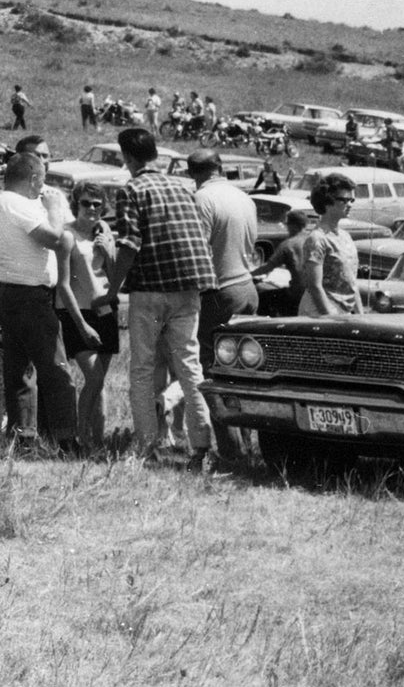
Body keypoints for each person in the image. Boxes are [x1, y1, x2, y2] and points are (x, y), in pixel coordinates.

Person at [101, 127, 218, 464]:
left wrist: (111, 287)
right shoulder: (183, 188)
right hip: (190, 287)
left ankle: (148, 446)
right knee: (189, 368)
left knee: (142, 368)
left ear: (128, 157)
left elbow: (130, 245)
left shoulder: (133, 189)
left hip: (151, 288)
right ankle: (201, 448)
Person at [0, 149, 81, 452]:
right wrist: (56, 206)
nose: (43, 187)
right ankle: (66, 440)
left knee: (19, 370)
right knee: (57, 369)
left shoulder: (8, 202)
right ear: (33, 178)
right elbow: (55, 238)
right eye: (42, 180)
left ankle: (24, 438)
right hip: (31, 295)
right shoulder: (16, 203)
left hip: (10, 292)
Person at [189, 150, 261, 460]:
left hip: (218, 290)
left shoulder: (202, 199)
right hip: (247, 285)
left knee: (214, 370)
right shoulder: (243, 197)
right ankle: (247, 443)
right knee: (243, 370)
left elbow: (198, 248)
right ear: (220, 167)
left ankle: (232, 450)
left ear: (194, 173)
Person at [63, 188, 117, 447]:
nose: (92, 208)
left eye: (97, 204)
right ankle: (81, 438)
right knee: (93, 378)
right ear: (76, 204)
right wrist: (81, 325)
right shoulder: (67, 234)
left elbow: (117, 279)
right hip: (78, 312)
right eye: (86, 203)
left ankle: (99, 440)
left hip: (105, 309)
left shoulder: (104, 234)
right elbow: (62, 286)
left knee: (99, 383)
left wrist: (109, 253)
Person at [296, 173, 363, 315]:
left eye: (352, 200)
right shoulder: (317, 239)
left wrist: (361, 316)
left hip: (344, 314)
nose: (350, 204)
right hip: (319, 314)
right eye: (344, 200)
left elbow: (352, 283)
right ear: (327, 202)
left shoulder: (346, 237)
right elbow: (314, 286)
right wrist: (330, 319)